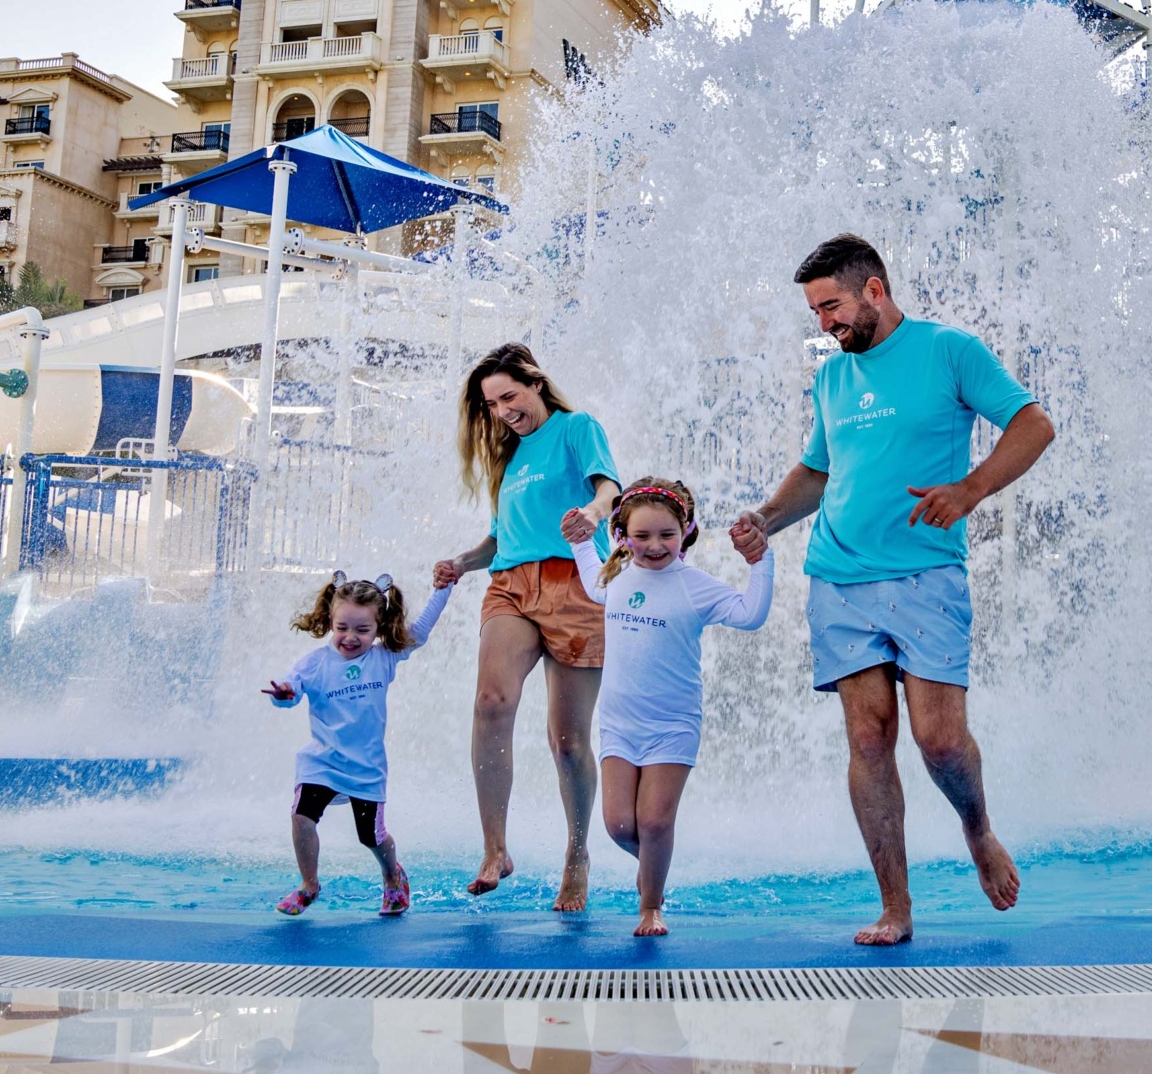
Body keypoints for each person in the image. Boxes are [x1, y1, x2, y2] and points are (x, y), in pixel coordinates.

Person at [729, 234, 1055, 946]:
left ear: (873, 289)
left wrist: (972, 489)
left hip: (926, 574)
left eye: (833, 307)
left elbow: (1035, 424)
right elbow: (819, 473)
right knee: (869, 738)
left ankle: (978, 832)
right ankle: (895, 907)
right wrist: (764, 519)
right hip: (839, 578)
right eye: (815, 313)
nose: (825, 325)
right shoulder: (833, 380)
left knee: (938, 741)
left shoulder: (950, 351)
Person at [439, 341, 620, 910]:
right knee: (491, 702)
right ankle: (496, 848)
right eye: (492, 404)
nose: (502, 411)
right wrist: (462, 564)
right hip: (511, 586)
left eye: (509, 396)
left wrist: (592, 515)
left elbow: (608, 489)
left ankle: (577, 853)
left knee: (567, 742)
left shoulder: (575, 428)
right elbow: (501, 538)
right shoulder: (507, 459)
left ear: (536, 384)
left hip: (577, 584)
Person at [559, 476, 773, 935]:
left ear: (686, 531)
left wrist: (761, 561)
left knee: (655, 821)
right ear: (621, 536)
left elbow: (749, 615)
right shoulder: (616, 576)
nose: (654, 546)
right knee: (619, 826)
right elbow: (594, 586)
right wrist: (580, 541)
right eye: (641, 536)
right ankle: (655, 866)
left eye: (666, 535)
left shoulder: (694, 586)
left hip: (672, 724)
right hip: (619, 724)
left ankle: (650, 905)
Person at [264, 568, 453, 917]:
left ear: (379, 627)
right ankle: (309, 885)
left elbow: (422, 631)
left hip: (366, 768)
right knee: (302, 816)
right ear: (330, 623)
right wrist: (284, 695)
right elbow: (291, 690)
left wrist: (445, 588)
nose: (350, 637)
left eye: (362, 630)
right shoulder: (315, 664)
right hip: (322, 761)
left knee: (371, 836)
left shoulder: (383, 657)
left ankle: (393, 877)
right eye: (342, 628)